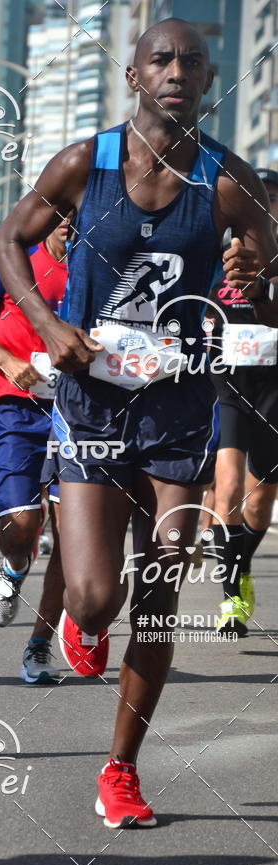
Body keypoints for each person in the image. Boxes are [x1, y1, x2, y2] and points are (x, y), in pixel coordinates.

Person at [0, 18, 278, 827]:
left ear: (210, 78)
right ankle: (83, 624)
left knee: (157, 592)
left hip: (178, 412)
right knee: (91, 599)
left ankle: (120, 769)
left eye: (191, 61)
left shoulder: (230, 181)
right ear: (133, 75)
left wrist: (257, 282)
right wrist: (49, 328)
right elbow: (9, 241)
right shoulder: (87, 164)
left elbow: (268, 301)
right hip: (91, 403)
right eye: (161, 59)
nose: (176, 71)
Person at [0, 214, 106, 684]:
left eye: (80, 215)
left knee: (70, 535)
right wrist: (7, 360)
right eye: (60, 214)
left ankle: (39, 646)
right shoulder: (12, 261)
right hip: (17, 405)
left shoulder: (101, 270)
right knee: (22, 523)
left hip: (78, 412)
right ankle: (14, 565)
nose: (69, 224)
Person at [206, 167, 278, 636]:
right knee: (227, 489)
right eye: (258, 198)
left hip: (274, 390)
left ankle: (243, 566)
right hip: (228, 385)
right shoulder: (215, 254)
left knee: (257, 505)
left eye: (272, 198)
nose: (264, 206)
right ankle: (231, 594)